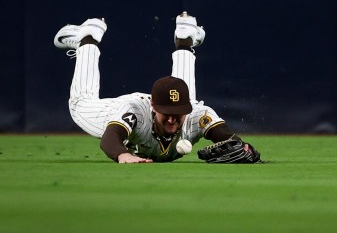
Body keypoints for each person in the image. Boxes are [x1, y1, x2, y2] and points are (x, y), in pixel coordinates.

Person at [53, 11, 257, 163]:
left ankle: (185, 38)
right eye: (166, 113)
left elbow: (224, 135)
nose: (171, 119)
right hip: (114, 111)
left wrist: (242, 146)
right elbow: (110, 139)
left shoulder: (195, 114)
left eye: (178, 113)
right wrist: (123, 155)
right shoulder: (134, 112)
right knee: (80, 103)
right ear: (154, 107)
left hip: (173, 104)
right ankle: (87, 39)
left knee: (190, 100)